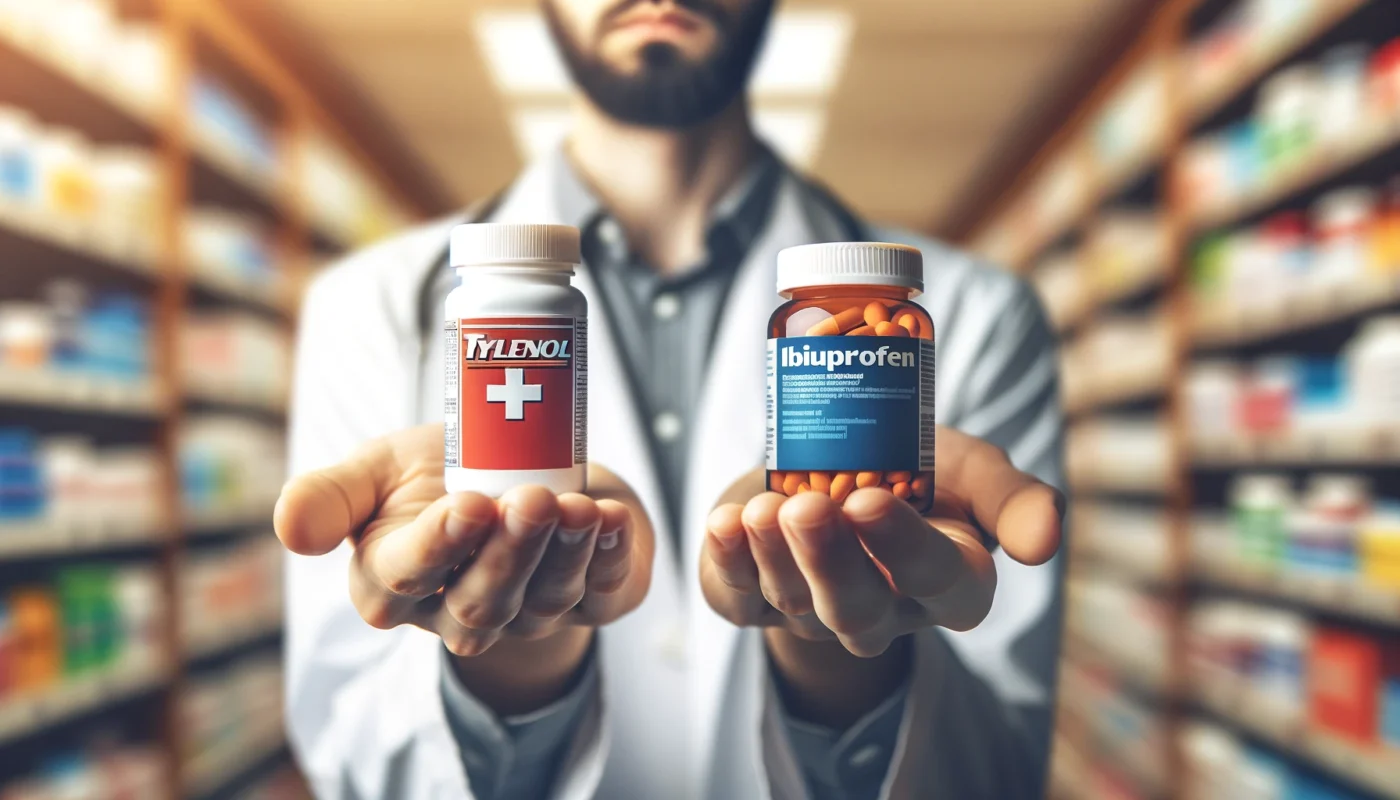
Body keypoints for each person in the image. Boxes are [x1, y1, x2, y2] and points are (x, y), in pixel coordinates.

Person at [272, 0, 1066, 797]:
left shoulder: (977, 312)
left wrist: (837, 649)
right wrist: (518, 656)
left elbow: (994, 764)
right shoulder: (370, 303)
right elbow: (350, 736)